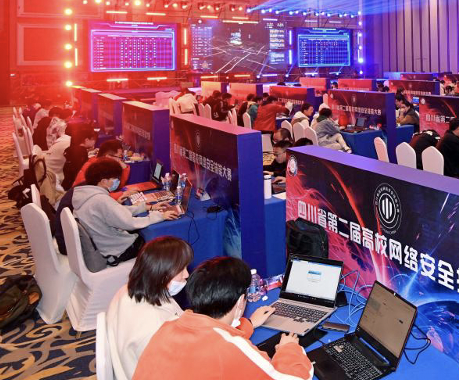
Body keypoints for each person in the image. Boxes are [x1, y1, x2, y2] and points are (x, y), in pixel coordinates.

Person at [132, 256, 312, 380]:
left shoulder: (168, 327)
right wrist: (288, 349)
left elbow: (211, 333)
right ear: (241, 302)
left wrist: (248, 324)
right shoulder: (229, 347)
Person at [59, 158, 178, 262]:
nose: (118, 181)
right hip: (117, 251)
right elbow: (130, 223)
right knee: (157, 243)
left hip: (104, 247)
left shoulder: (86, 195)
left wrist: (146, 207)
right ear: (104, 181)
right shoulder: (101, 200)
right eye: (116, 178)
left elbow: (115, 211)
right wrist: (160, 216)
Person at [106, 236, 194, 379]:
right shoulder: (156, 326)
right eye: (181, 269)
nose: (187, 274)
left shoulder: (126, 290)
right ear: (162, 272)